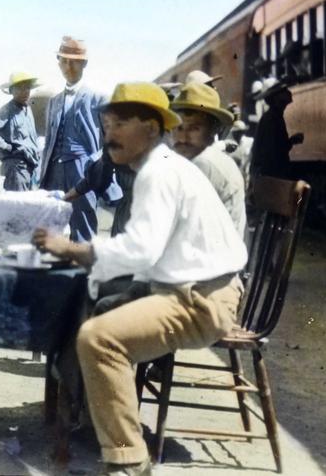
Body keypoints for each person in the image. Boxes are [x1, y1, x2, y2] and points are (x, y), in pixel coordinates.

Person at [32, 82, 247, 476]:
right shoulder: (164, 165)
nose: (110, 132)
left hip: (200, 299)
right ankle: (87, 415)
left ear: (151, 129)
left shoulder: (158, 173)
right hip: (185, 287)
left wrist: (74, 250)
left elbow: (141, 250)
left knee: (99, 338)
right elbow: (154, 252)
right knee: (92, 300)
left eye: (122, 123)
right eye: (107, 123)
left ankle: (128, 462)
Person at [38, 36, 105, 241]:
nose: (68, 66)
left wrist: (94, 170)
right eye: (64, 61)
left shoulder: (98, 99)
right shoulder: (54, 101)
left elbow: (108, 141)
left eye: (74, 61)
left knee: (82, 230)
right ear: (58, 62)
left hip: (82, 173)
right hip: (52, 173)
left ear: (84, 63)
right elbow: (49, 141)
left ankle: (82, 272)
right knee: (49, 228)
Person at [171, 82, 246, 237]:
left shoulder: (204, 163)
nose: (183, 138)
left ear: (213, 130)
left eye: (194, 129)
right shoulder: (200, 158)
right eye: (178, 128)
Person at [0, 72, 41, 191]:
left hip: (30, 168)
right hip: (15, 167)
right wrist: (7, 147)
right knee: (18, 205)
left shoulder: (28, 110)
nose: (24, 91)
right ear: (11, 91)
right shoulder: (7, 110)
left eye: (27, 87)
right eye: (19, 88)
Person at [250, 79, 303, 180]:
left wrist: (291, 141)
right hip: (271, 176)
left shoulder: (274, 117)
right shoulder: (271, 119)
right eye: (283, 90)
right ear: (276, 98)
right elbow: (272, 151)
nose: (288, 92)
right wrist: (291, 141)